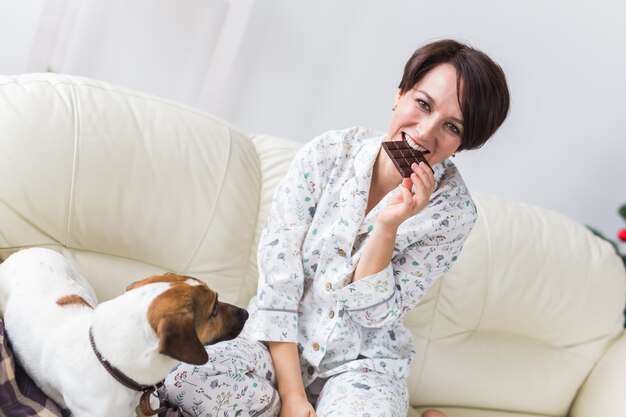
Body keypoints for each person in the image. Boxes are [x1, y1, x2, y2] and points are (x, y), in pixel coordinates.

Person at [162, 39, 510, 417]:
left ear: (462, 143)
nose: (426, 132)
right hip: (275, 345)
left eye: (452, 127)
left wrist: (388, 227)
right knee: (183, 378)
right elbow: (279, 284)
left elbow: (374, 317)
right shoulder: (326, 155)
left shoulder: (453, 213)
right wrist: (293, 399)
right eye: (422, 104)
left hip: (361, 366)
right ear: (399, 95)